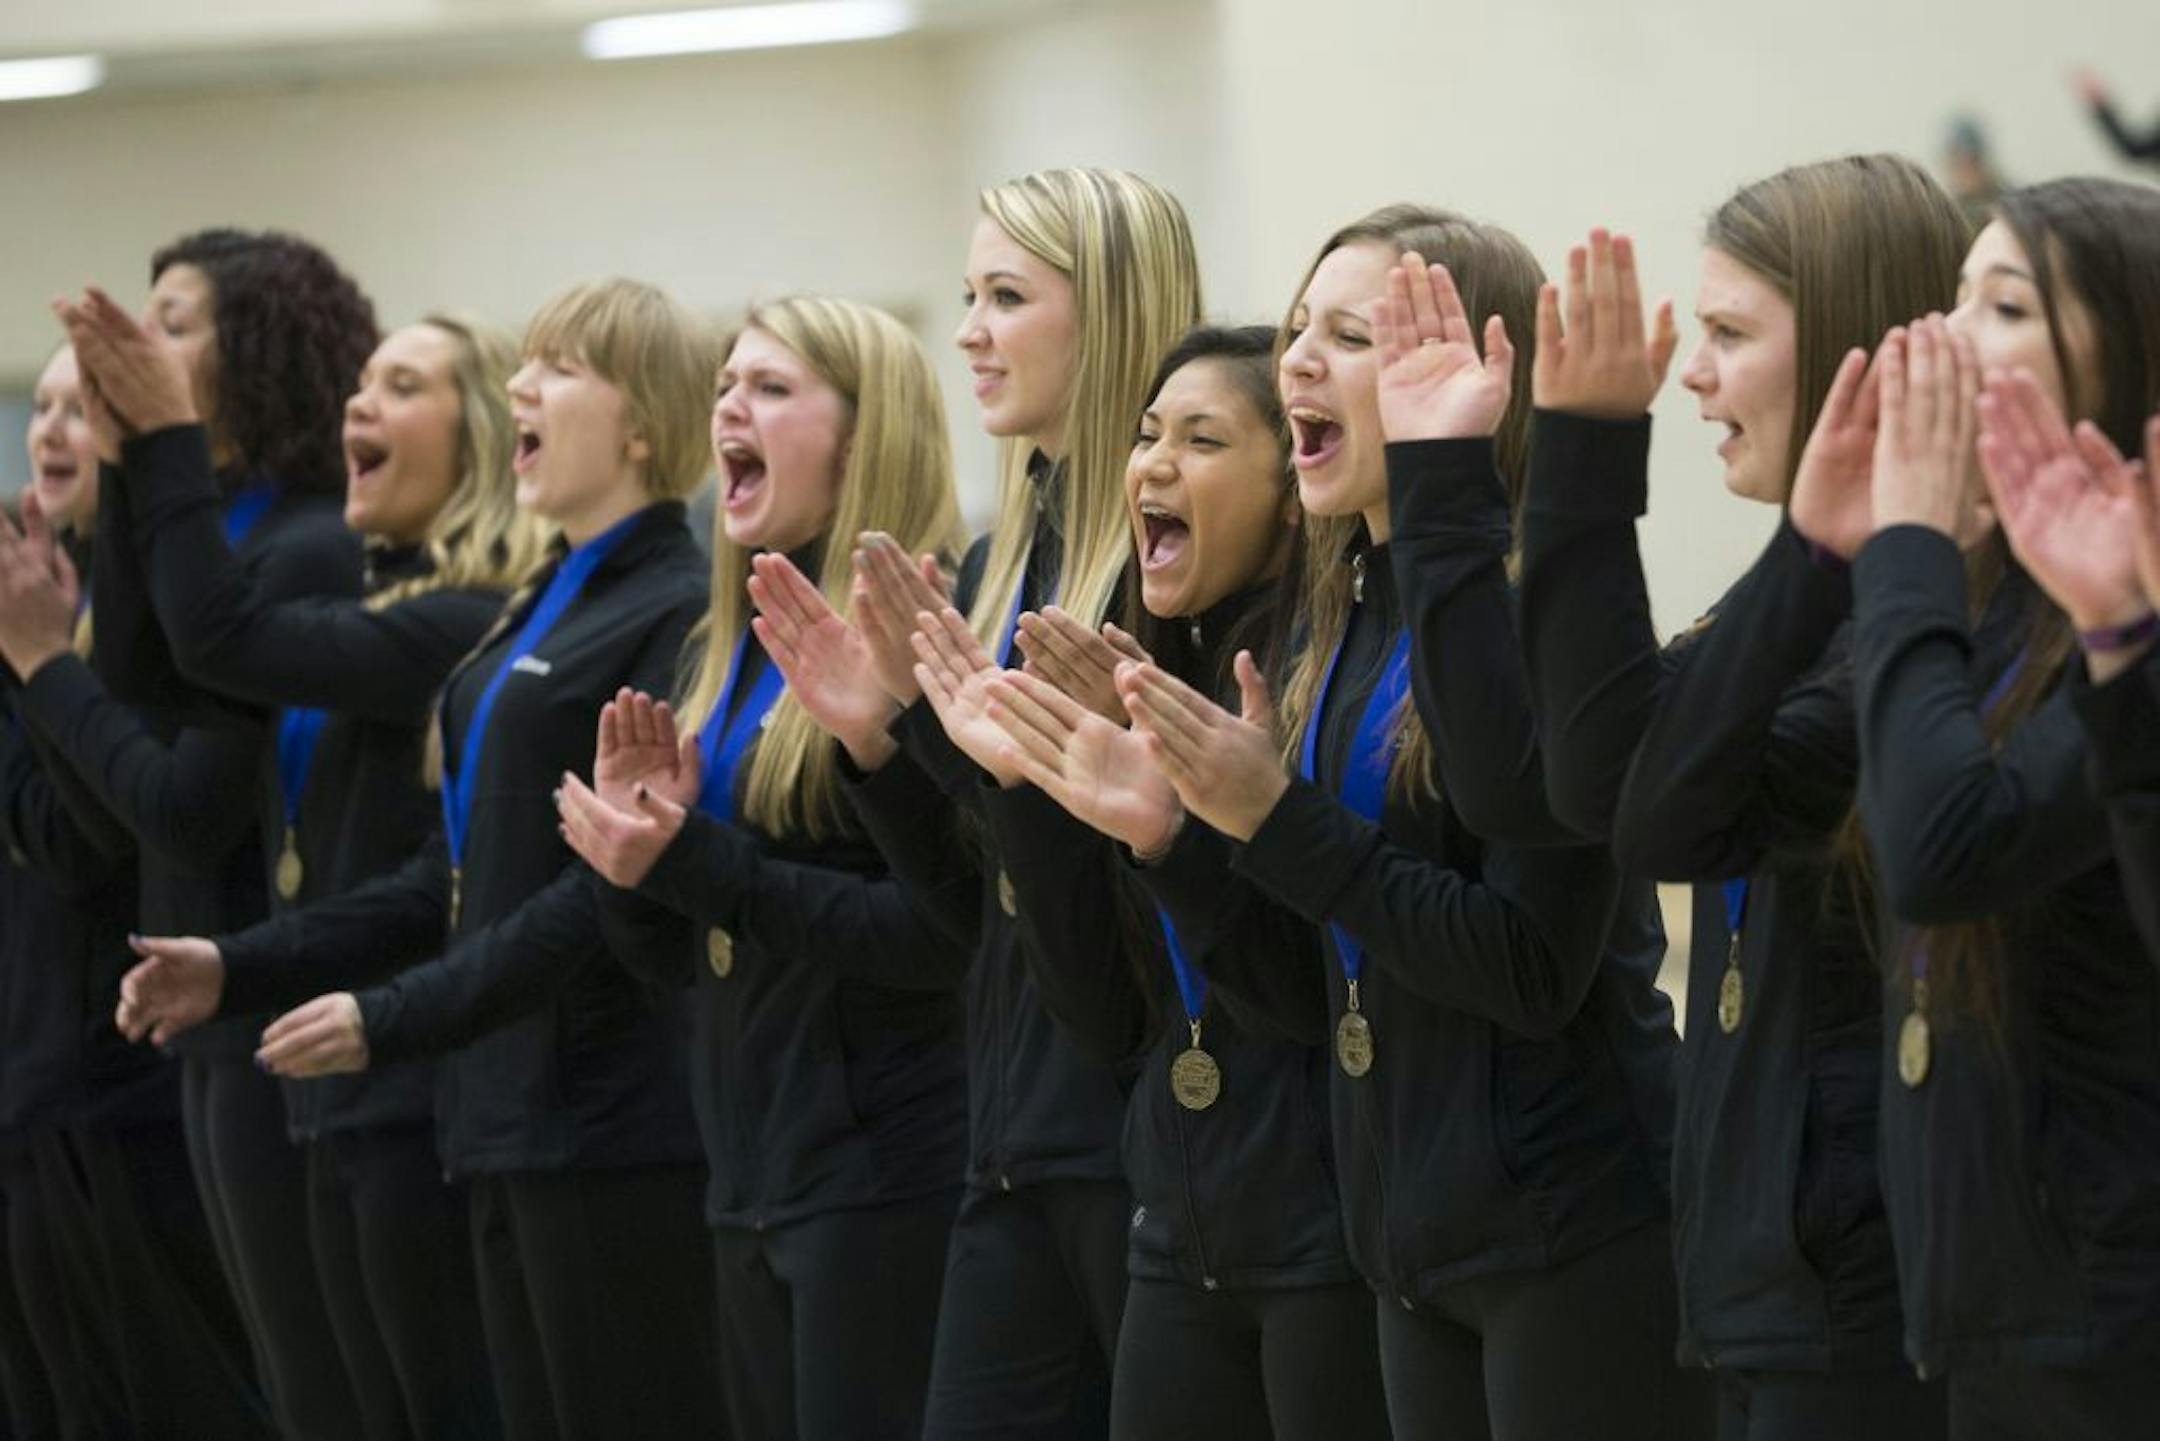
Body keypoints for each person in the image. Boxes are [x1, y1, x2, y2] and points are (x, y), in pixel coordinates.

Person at [117, 278, 730, 1438]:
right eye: (524, 364)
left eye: (559, 369)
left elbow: (594, 896)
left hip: (605, 1118)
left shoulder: (667, 608)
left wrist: (389, 1019)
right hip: (496, 1113)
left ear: (644, 423)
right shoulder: (541, 601)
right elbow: (451, 875)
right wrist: (241, 965)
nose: (522, 390)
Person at [1517, 158, 1968, 1437]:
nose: (1693, 374)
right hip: (1754, 1285)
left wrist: (1810, 547)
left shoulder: (1905, 628)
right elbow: (1595, 773)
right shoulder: (1798, 605)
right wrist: (1586, 456)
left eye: (1727, 335)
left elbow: (1659, 818)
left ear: (1844, 357)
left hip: (1863, 1297)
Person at [72, 296, 538, 1438]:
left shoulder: (461, 622)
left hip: (411, 1082)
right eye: (360, 383)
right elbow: (167, 670)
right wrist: (135, 457)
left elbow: (223, 636)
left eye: (405, 386)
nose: (359, 405)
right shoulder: (380, 602)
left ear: (480, 435)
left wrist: (171, 438)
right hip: (333, 1081)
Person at [1779, 176, 2160, 1438]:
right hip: (1989, 1302)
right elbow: (1655, 810)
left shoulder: (2122, 628)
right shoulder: (2008, 604)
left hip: (2105, 1307)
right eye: (1951, 297)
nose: (1940, 337)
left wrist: (1907, 544)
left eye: (2001, 306)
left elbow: (1940, 851)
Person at [553, 295, 972, 1441]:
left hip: (877, 1177)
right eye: (727, 384)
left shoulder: (912, 634)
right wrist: (638, 863)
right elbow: (680, 957)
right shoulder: (727, 648)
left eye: (773, 388)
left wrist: (701, 863)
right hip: (749, 1174)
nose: (729, 404)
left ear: (863, 435)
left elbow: (940, 938)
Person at [4, 228, 379, 1439]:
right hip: (196, 1026)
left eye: (173, 322)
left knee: (280, 1395)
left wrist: (36, 660)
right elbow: (126, 742)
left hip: (265, 1017)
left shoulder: (299, 541)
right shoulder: (197, 542)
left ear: (252, 351)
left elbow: (157, 805)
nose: (136, 349)